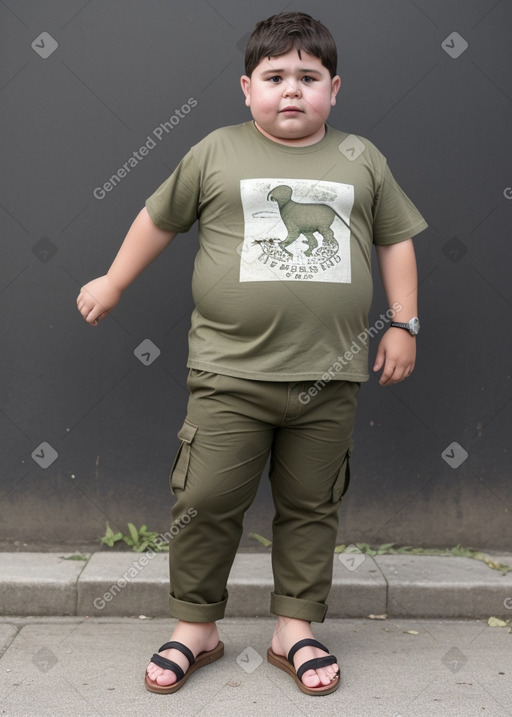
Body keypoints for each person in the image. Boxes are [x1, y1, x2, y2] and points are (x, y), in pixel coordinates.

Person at [77, 11, 427, 697]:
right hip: (229, 372)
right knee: (204, 499)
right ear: (246, 88)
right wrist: (114, 279)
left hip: (329, 375)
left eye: (308, 77)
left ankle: (294, 627)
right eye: (274, 77)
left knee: (311, 503)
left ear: (334, 88)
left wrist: (404, 323)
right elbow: (159, 217)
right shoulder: (217, 152)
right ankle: (196, 626)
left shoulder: (362, 159)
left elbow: (395, 239)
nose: (290, 90)